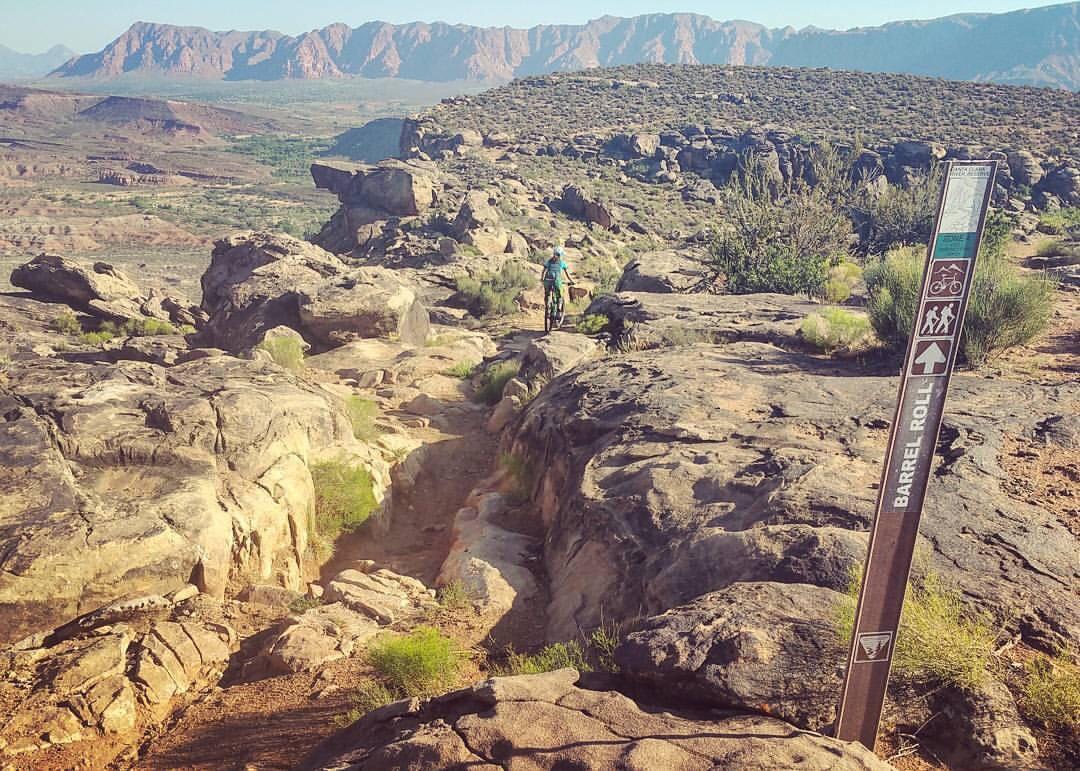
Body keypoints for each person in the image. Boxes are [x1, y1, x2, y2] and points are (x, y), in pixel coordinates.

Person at [541, 246, 574, 326]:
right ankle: (559, 310)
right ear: (561, 255)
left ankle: (547, 305)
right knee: (560, 295)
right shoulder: (562, 263)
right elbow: (567, 273)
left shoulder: (549, 261)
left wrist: (542, 279)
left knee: (547, 294)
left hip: (547, 280)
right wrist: (571, 281)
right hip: (556, 281)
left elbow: (544, 270)